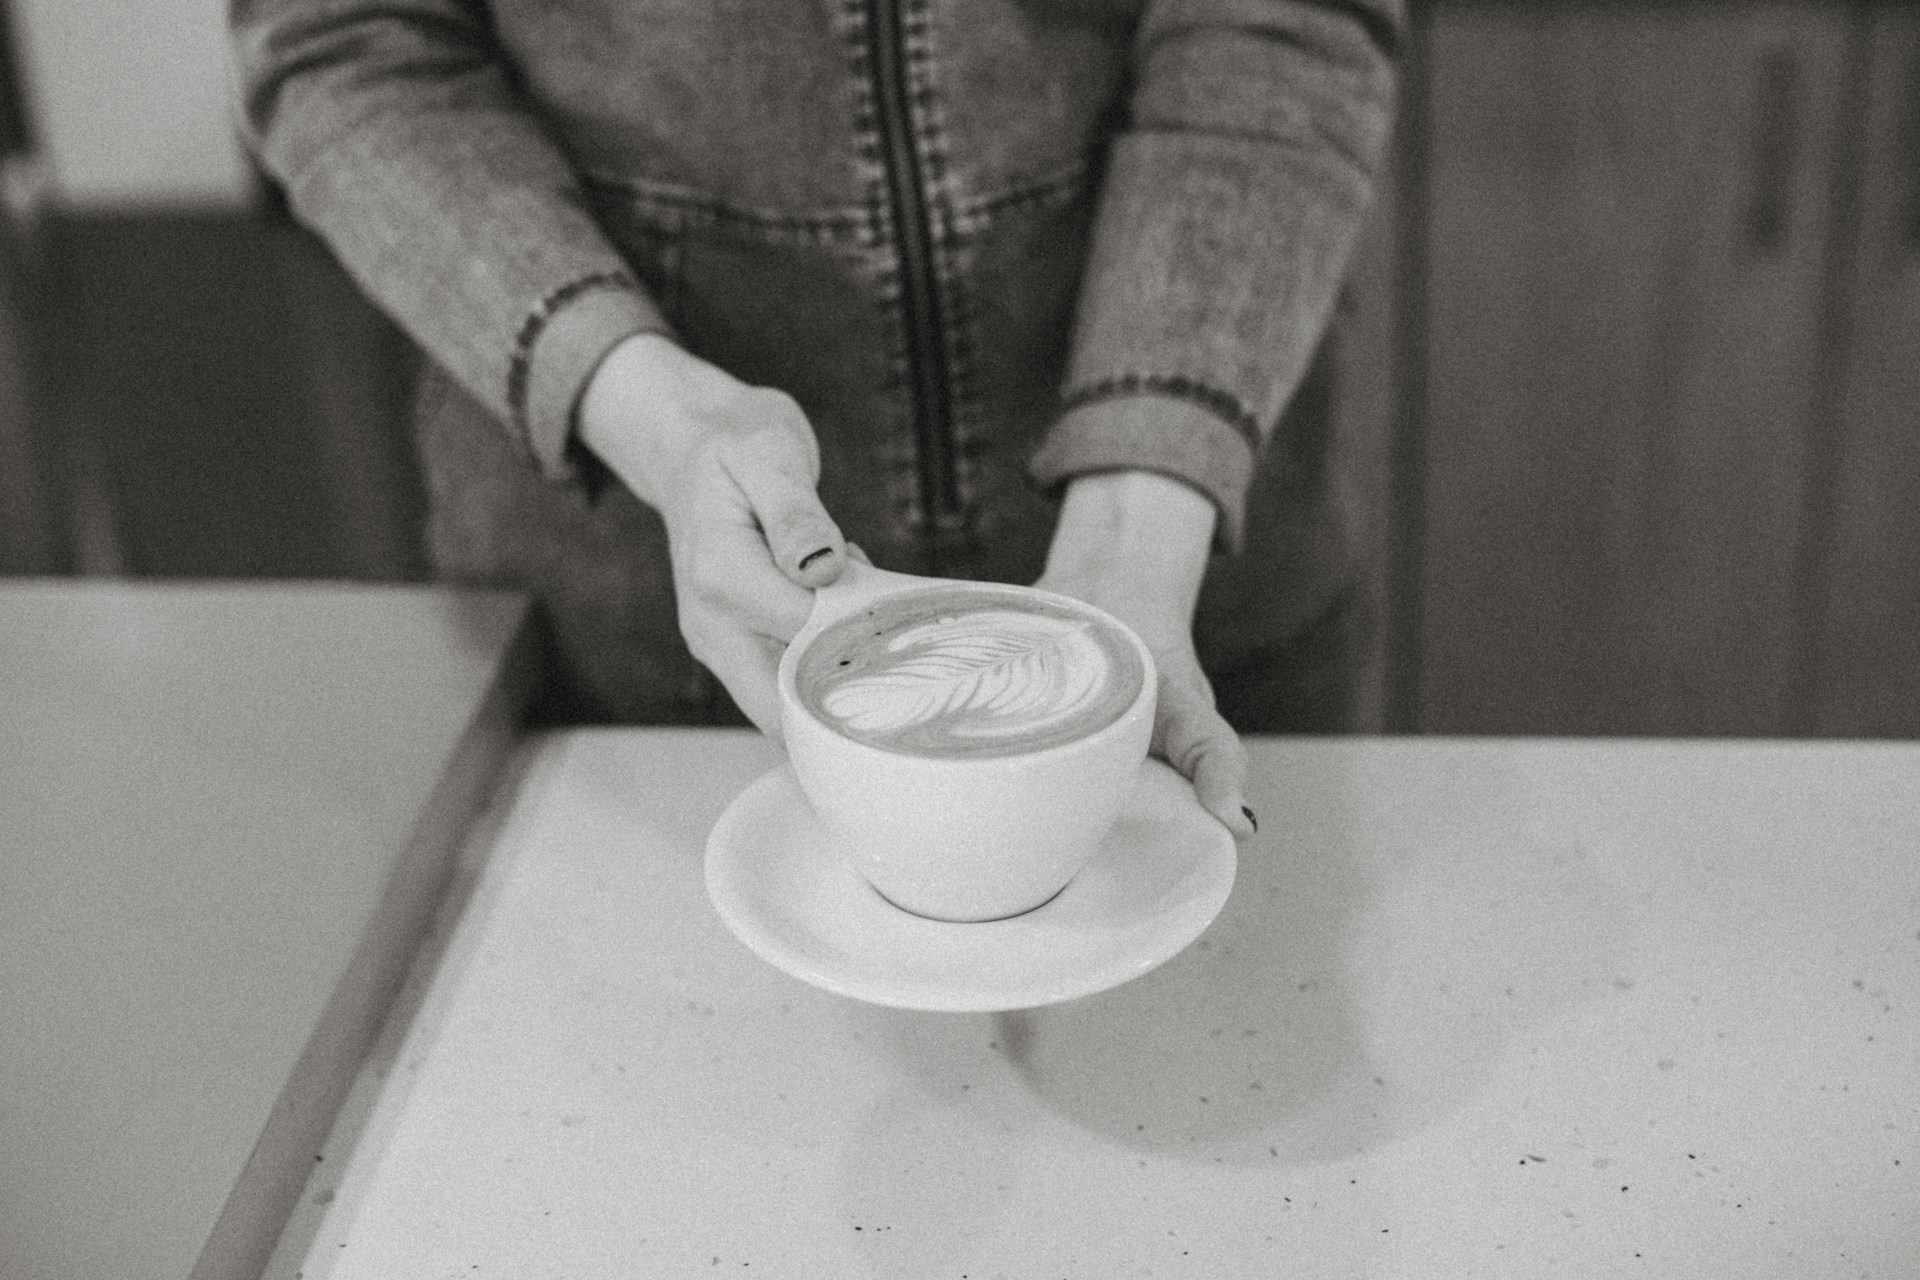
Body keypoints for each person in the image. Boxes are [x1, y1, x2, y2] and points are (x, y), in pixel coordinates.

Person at [230, 0, 1402, 840]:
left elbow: (1278, 28)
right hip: (640, 622)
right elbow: (348, 41)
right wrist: (657, 416)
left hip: (1183, 592)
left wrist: (1148, 489)